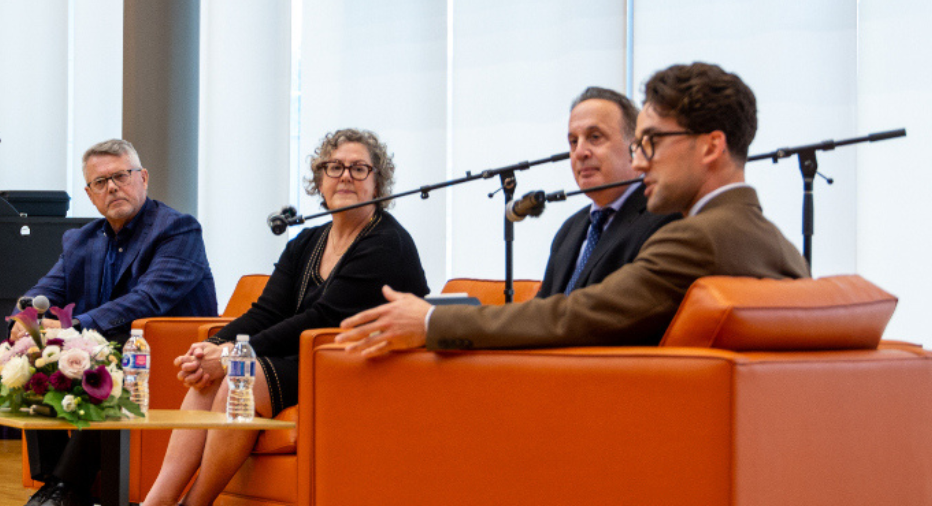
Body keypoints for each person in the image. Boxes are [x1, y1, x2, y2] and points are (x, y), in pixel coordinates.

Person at [337, 62, 810, 355]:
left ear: (711, 147)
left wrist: (431, 321)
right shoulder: (777, 245)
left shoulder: (696, 237)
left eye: (651, 143)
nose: (641, 159)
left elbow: (576, 316)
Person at [126, 128, 430, 506]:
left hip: (359, 364)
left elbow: (324, 319)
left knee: (238, 381)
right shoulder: (307, 239)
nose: (346, 176)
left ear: (378, 182)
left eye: (359, 168)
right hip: (306, 356)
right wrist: (217, 344)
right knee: (208, 379)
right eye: (334, 167)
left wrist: (232, 355)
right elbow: (268, 310)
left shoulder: (386, 243)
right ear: (319, 181)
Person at [2, 139, 217, 506]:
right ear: (90, 194)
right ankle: (54, 486)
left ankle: (70, 487)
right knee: (36, 355)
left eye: (121, 176)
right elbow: (46, 292)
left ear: (143, 178)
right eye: (101, 182)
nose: (113, 188)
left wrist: (73, 328)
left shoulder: (177, 230)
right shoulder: (81, 239)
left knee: (103, 361)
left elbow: (148, 300)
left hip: (173, 359)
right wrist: (27, 314)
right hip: (110, 346)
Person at [538, 87, 678, 297]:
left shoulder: (663, 219)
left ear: (635, 147)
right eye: (573, 142)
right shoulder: (570, 229)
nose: (580, 153)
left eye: (595, 137)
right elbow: (542, 311)